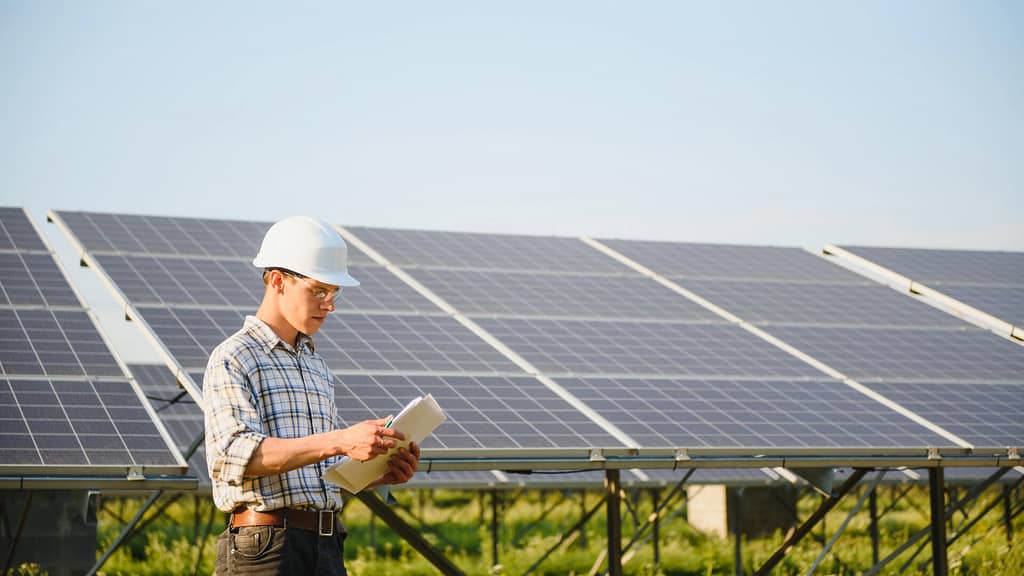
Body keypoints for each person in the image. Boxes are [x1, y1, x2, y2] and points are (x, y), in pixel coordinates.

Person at [204, 216, 419, 575]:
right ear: (278, 281)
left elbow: (318, 472)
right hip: (265, 549)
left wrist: (376, 471)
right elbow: (232, 456)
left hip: (327, 545)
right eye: (318, 290)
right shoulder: (234, 356)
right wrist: (340, 440)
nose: (330, 304)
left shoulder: (315, 364)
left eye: (334, 292)